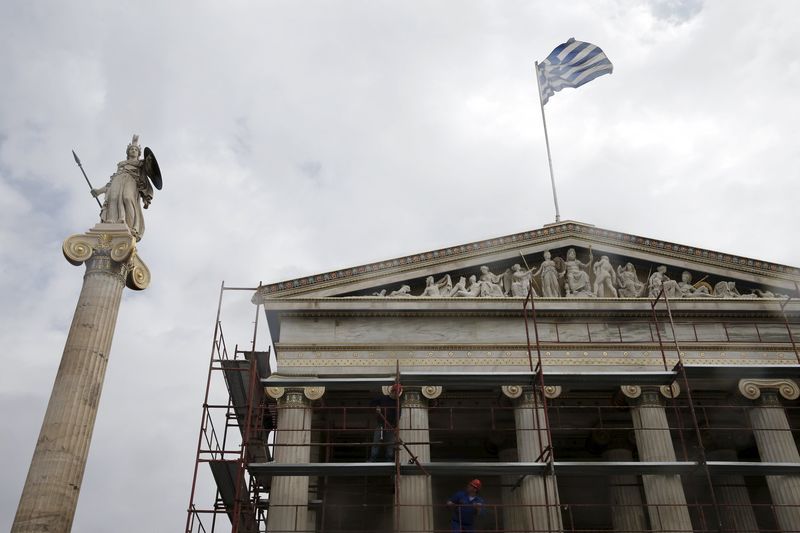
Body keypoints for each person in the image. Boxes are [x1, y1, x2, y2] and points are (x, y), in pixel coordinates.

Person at [368, 384, 402, 462]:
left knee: (390, 444)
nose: (396, 395)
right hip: (381, 424)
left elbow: (398, 416)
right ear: (392, 391)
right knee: (376, 442)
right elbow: (372, 403)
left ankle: (389, 459)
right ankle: (373, 458)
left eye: (398, 393)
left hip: (391, 426)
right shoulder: (382, 398)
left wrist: (395, 426)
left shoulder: (397, 403)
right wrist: (376, 407)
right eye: (396, 393)